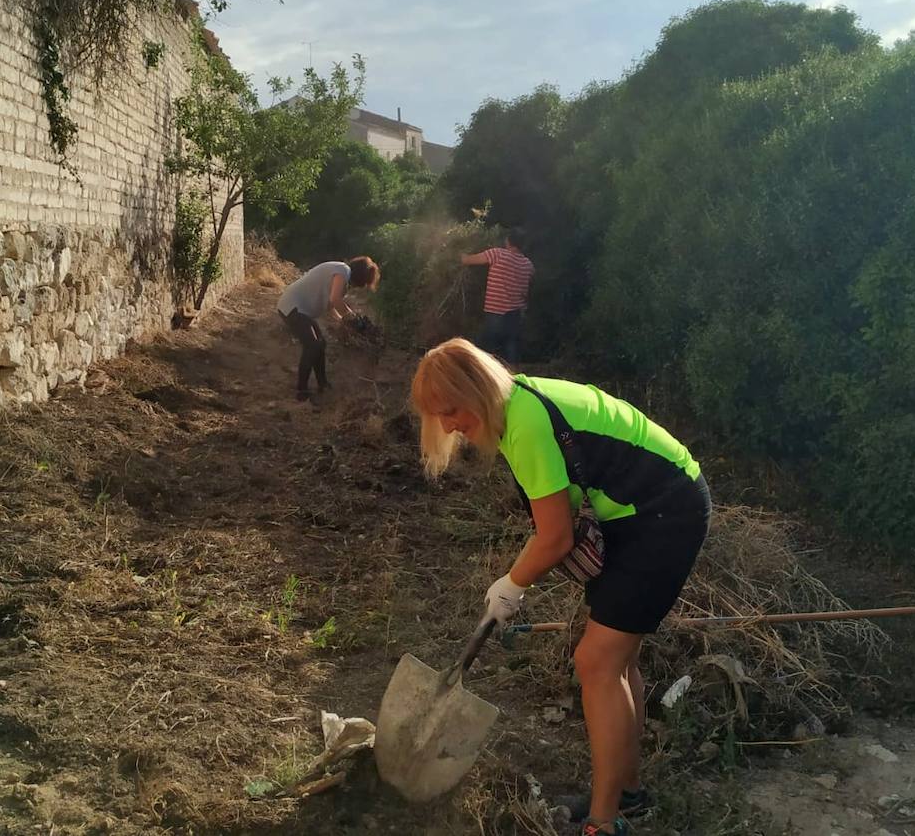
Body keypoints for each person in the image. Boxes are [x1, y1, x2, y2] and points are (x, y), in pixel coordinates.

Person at [410, 339, 710, 836]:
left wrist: (511, 583)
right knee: (617, 660)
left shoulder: (525, 424)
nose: (446, 427)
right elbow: (557, 519)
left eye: (451, 411)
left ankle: (604, 823)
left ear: (476, 390)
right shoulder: (515, 408)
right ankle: (627, 794)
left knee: (597, 661)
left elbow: (555, 537)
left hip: (664, 513)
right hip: (640, 513)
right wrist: (514, 581)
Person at [275, 257, 380, 401]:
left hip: (300, 310)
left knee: (321, 343)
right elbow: (335, 300)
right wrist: (353, 320)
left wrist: (347, 322)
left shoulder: (340, 274)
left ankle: (322, 384)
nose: (356, 286)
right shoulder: (343, 270)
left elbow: (331, 308)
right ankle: (301, 390)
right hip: (291, 307)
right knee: (312, 345)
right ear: (360, 276)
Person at [461, 228, 534, 364]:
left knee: (486, 345)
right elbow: (526, 291)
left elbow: (469, 260)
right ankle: (512, 377)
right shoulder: (528, 265)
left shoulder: (497, 254)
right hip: (516, 313)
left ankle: (480, 372)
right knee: (511, 346)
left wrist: (458, 255)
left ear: (508, 242)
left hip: (496, 311)